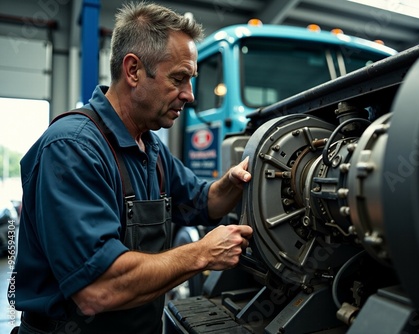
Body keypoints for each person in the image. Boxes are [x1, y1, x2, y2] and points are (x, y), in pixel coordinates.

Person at [10, 2, 253, 333]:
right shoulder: (73, 148)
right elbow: (98, 289)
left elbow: (201, 202)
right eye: (180, 79)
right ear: (133, 70)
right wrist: (202, 254)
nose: (190, 95)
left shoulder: (149, 147)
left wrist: (238, 179)